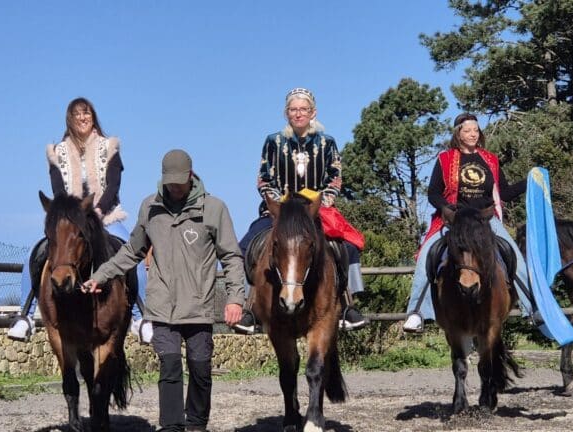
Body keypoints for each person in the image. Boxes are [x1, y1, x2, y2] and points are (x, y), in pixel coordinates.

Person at [84, 149, 244, 432]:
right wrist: (101, 275)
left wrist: (235, 299)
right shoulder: (150, 207)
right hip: (162, 306)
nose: (174, 187)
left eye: (179, 182)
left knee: (200, 369)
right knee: (169, 367)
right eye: (170, 181)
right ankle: (172, 427)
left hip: (198, 305)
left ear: (191, 176)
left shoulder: (214, 209)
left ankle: (196, 424)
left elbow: (231, 256)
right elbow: (132, 251)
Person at [7, 97, 151, 343]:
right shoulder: (58, 152)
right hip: (70, 220)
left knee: (132, 255)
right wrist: (73, 214)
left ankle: (141, 317)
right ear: (70, 119)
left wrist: (97, 210)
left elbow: (114, 183)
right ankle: (25, 315)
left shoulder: (109, 147)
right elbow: (58, 189)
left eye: (87, 113)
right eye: (77, 114)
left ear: (93, 117)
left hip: (105, 216)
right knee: (34, 252)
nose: (83, 118)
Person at [232, 87, 368, 334]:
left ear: (313, 112)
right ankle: (249, 308)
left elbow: (335, 178)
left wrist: (322, 201)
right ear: (286, 113)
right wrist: (277, 205)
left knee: (346, 246)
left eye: (303, 109)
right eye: (293, 109)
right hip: (279, 213)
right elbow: (264, 178)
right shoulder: (273, 141)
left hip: (316, 212)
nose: (298, 114)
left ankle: (349, 305)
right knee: (245, 247)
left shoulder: (327, 143)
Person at [402, 113, 535, 333]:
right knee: (428, 254)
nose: (472, 134)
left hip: (485, 219)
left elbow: (505, 193)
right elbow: (433, 193)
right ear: (458, 134)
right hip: (455, 219)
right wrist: (445, 208)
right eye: (467, 131)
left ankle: (533, 309)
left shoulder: (490, 159)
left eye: (475, 130)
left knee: (514, 256)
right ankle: (417, 312)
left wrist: (529, 181)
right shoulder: (445, 159)